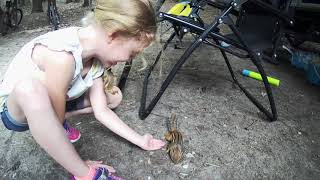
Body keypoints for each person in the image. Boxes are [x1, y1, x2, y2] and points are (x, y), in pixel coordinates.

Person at [0, 0, 166, 179]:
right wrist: (77, 164)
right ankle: (84, 175)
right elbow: (56, 119)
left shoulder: (95, 58)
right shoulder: (62, 56)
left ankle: (57, 120)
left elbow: (101, 110)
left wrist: (141, 140)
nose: (127, 59)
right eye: (131, 54)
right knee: (30, 89)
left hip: (56, 100)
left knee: (114, 97)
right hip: (18, 111)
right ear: (113, 35)